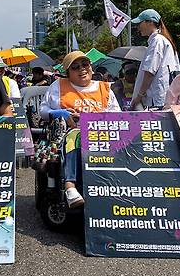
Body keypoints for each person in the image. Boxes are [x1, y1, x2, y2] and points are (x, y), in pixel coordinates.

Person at [39, 50, 121, 207]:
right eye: (75, 67)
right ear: (68, 73)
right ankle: (70, 186)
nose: (82, 69)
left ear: (91, 67)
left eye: (85, 64)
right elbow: (43, 111)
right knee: (75, 136)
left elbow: (117, 116)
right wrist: (57, 113)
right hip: (70, 134)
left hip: (101, 135)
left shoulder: (105, 88)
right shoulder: (58, 86)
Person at [129, 9, 179, 110]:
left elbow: (150, 71)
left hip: (157, 98)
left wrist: (139, 96)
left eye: (140, 23)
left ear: (150, 22)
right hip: (163, 96)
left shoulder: (157, 41)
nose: (137, 27)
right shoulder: (163, 40)